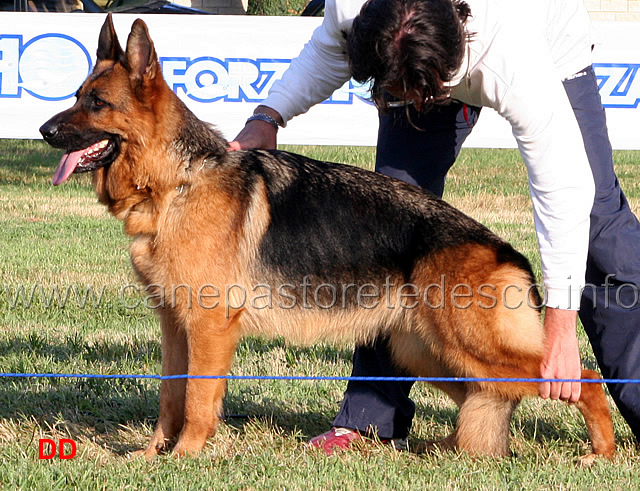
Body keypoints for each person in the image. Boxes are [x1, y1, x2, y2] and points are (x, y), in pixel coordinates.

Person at [230, 0, 640, 452]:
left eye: (413, 95)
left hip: (547, 48)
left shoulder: (513, 52)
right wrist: (268, 116)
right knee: (386, 223)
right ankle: (369, 422)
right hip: (420, 50)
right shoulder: (352, 8)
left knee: (601, 223)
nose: (405, 104)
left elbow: (564, 187)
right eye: (394, 92)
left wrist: (560, 328)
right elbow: (328, 50)